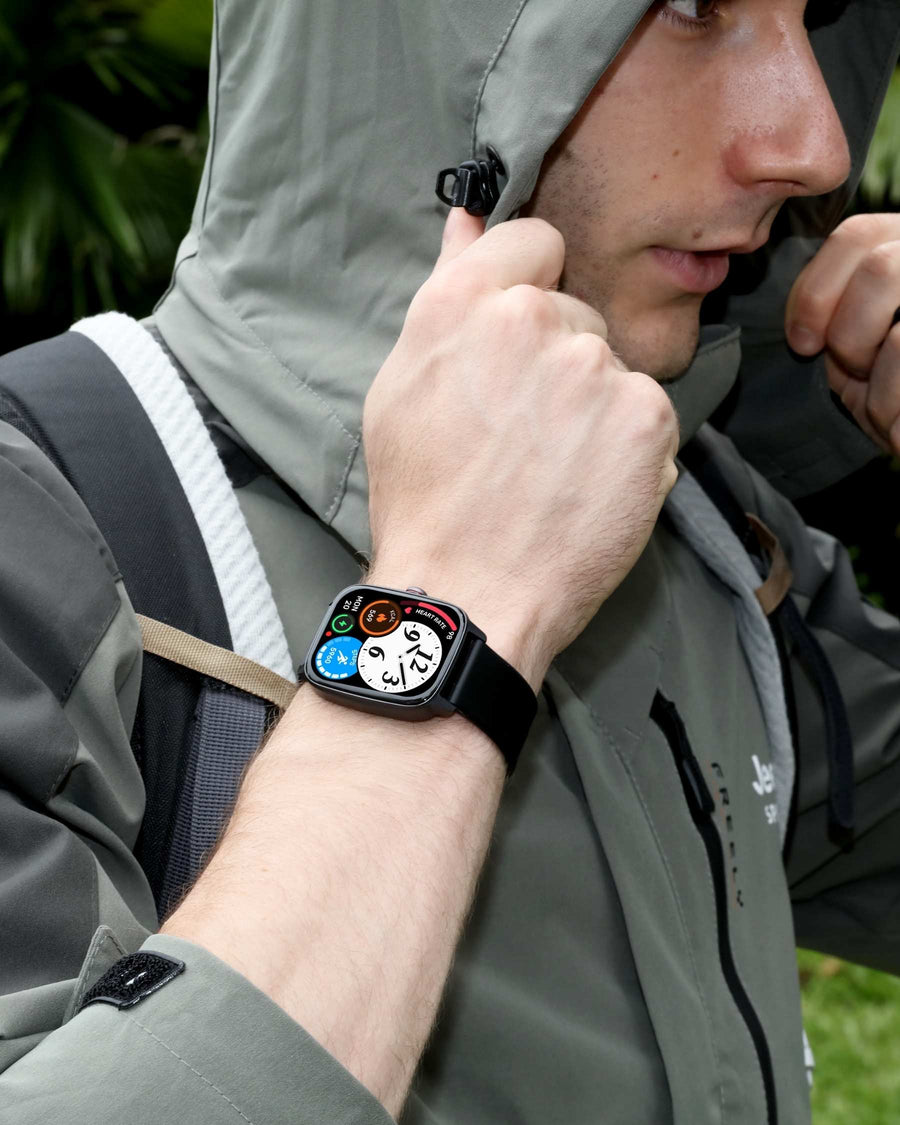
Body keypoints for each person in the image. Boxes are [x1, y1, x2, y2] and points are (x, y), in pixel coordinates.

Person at [3, 1, 900, 1122]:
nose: (816, 145)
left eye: (817, 13)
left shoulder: (704, 524)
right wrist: (457, 607)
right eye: (692, 6)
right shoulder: (43, 527)